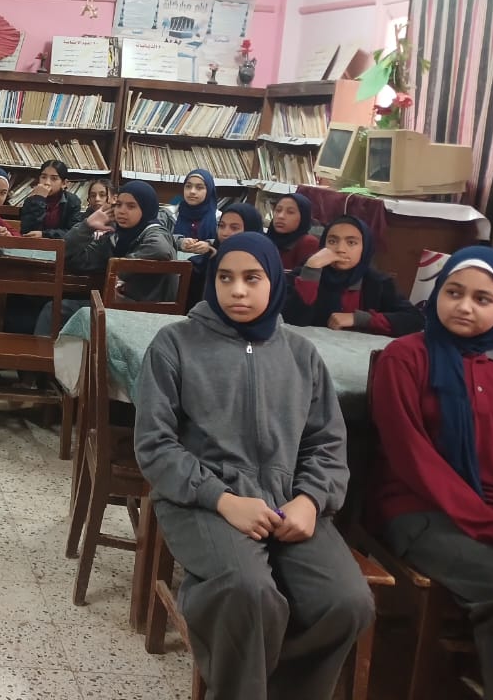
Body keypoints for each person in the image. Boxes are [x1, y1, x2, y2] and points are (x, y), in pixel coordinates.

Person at [134, 233, 375, 699]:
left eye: (252, 278)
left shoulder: (301, 354)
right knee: (247, 591)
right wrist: (222, 499)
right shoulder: (175, 344)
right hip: (201, 501)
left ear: (274, 283)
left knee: (347, 602)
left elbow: (326, 444)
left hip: (287, 504)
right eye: (225, 278)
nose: (237, 290)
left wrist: (310, 500)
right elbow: (155, 445)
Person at [368, 246, 493, 691]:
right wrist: (484, 521)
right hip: (419, 511)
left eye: (482, 299)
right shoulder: (405, 357)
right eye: (454, 292)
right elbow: (412, 458)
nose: (465, 306)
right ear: (436, 292)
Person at [36, 180, 177, 334]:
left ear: (146, 208)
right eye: (119, 205)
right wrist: (86, 226)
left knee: (57, 312)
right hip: (116, 308)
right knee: (54, 310)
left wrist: (117, 273)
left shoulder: (155, 232)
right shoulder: (115, 236)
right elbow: (72, 257)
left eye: (131, 206)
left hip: (145, 317)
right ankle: (55, 351)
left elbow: (161, 250)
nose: (122, 211)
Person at [282, 214, 424, 336]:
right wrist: (311, 272)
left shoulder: (378, 283)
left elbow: (414, 320)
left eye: (351, 242)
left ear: (365, 248)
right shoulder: (306, 274)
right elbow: (289, 320)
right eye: (332, 241)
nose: (340, 249)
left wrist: (360, 319)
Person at [20, 159, 82, 238]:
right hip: (35, 243)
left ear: (64, 183)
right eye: (43, 177)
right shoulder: (31, 200)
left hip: (61, 244)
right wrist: (39, 200)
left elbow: (74, 232)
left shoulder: (72, 201)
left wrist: (44, 234)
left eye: (54, 179)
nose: (47, 183)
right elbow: (26, 230)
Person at [266, 192, 320, 271]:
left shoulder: (308, 243)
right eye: (278, 210)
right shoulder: (266, 240)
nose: (281, 216)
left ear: (303, 217)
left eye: (290, 212)